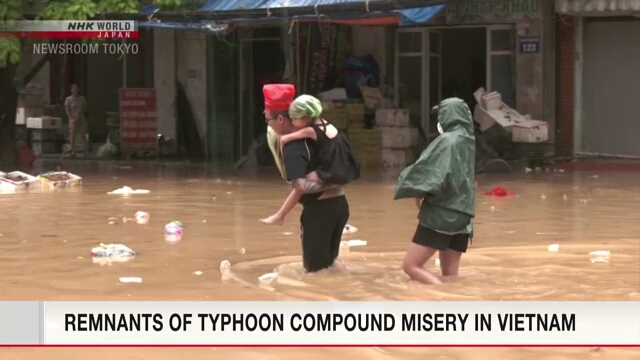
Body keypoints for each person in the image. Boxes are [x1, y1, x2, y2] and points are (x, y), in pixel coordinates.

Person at [262, 84, 350, 273]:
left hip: (320, 211)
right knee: (330, 263)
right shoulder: (315, 132)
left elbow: (300, 187)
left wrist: (280, 215)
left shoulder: (293, 146)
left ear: (280, 119)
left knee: (315, 273)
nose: (267, 124)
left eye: (267, 118)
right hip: (339, 205)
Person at [393, 98, 476, 285]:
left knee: (411, 266)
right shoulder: (468, 140)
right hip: (463, 217)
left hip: (442, 215)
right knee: (450, 276)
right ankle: (454, 303)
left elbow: (427, 170)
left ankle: (442, 297)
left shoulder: (446, 141)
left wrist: (411, 186)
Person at [260, 94, 360, 225]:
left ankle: (280, 215)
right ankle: (280, 215)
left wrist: (283, 142)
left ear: (306, 117)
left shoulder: (307, 134)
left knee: (301, 186)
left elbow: (287, 139)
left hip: (330, 174)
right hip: (340, 172)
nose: (293, 122)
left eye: (295, 119)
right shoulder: (322, 124)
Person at [64, 83, 88, 157]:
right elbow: (67, 110)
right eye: (74, 88)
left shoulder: (82, 99)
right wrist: (72, 118)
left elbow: (85, 108)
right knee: (72, 135)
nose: (75, 90)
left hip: (81, 118)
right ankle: (73, 151)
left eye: (76, 88)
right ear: (71, 90)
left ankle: (84, 151)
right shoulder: (68, 99)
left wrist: (79, 113)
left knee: (83, 135)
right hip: (73, 119)